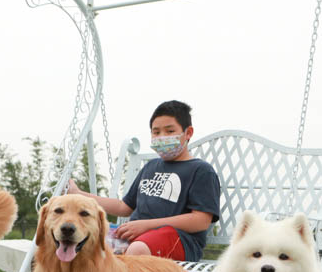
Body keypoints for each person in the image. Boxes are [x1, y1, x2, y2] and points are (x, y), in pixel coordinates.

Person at [67, 100, 220, 261]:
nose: (162, 137)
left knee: (137, 249)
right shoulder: (151, 167)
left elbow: (201, 220)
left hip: (177, 240)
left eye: (169, 131)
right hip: (135, 235)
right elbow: (123, 207)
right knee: (81, 240)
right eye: (156, 132)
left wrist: (146, 225)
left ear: (188, 133)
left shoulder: (201, 171)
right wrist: (79, 195)